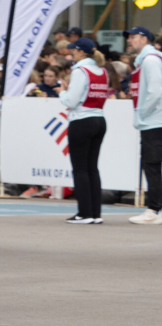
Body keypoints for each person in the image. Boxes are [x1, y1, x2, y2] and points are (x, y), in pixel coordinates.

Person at [59, 38, 108, 224]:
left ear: (81, 52)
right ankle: (95, 213)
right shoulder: (102, 71)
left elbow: (71, 102)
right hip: (99, 119)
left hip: (81, 120)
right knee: (92, 168)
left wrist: (62, 92)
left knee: (80, 169)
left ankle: (84, 213)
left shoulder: (80, 71)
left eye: (74, 51)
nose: (72, 53)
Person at [125, 27, 162, 224]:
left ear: (144, 39)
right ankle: (155, 208)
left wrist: (142, 113)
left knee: (153, 165)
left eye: (133, 37)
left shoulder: (150, 60)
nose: (130, 41)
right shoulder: (147, 60)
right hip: (154, 120)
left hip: (154, 121)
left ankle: (154, 209)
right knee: (153, 166)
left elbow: (156, 91)